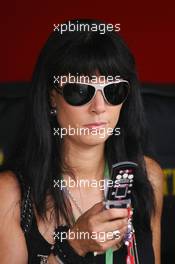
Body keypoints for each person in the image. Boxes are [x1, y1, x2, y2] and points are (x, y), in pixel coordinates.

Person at [0, 19, 163, 264]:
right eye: (80, 91)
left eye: (113, 91)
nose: (99, 107)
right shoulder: (10, 194)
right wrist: (73, 246)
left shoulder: (147, 176)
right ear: (52, 97)